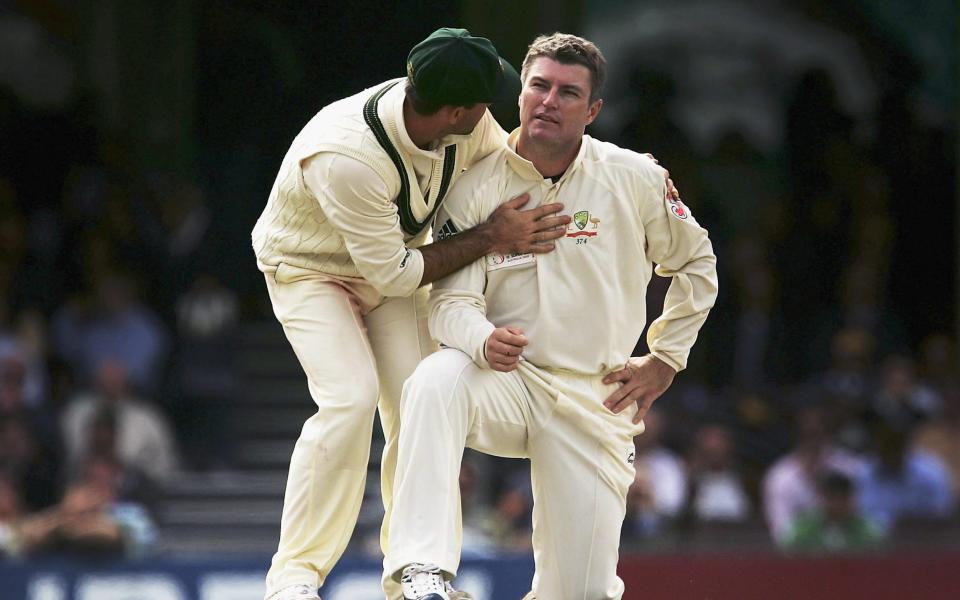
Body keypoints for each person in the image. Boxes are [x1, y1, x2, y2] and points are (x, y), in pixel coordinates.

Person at [385, 33, 718, 600]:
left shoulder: (634, 176)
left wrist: (665, 359)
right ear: (519, 95)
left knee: (581, 594)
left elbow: (696, 263)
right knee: (435, 381)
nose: (549, 101)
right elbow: (450, 304)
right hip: (507, 381)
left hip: (596, 396)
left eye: (568, 93)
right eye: (538, 86)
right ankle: (422, 573)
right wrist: (483, 339)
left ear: (592, 111)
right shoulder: (475, 185)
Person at [251, 28, 573, 600]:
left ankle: (413, 579)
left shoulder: (461, 125)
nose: (492, 113)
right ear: (457, 110)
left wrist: (617, 169)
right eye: (484, 104)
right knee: (349, 399)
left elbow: (514, 162)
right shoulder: (347, 156)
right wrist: (489, 236)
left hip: (395, 262)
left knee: (421, 399)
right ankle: (295, 578)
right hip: (311, 269)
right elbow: (397, 274)